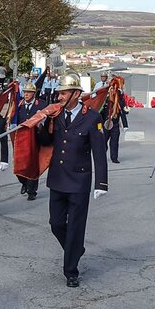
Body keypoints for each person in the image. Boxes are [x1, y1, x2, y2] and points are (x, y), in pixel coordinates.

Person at [36, 72, 108, 288]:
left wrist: (101, 183)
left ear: (76, 94)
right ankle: (75, 249)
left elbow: (99, 152)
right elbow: (45, 141)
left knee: (76, 226)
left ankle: (71, 271)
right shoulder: (55, 115)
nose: (59, 96)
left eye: (64, 93)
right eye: (59, 93)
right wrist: (41, 124)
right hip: (58, 178)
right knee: (56, 223)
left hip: (79, 179)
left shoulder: (92, 117)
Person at [13, 84, 46, 200]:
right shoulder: (19, 105)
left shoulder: (41, 105)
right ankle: (24, 182)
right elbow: (14, 120)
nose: (26, 94)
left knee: (33, 164)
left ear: (34, 94)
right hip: (22, 139)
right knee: (20, 163)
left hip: (36, 138)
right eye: (25, 92)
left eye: (29, 92)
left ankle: (32, 190)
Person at [100, 84, 129, 163]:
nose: (113, 91)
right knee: (103, 142)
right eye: (112, 89)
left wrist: (125, 125)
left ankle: (114, 157)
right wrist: (99, 127)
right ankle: (101, 156)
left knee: (114, 142)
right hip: (105, 125)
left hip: (115, 124)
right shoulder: (104, 99)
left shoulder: (119, 99)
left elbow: (122, 112)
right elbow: (98, 114)